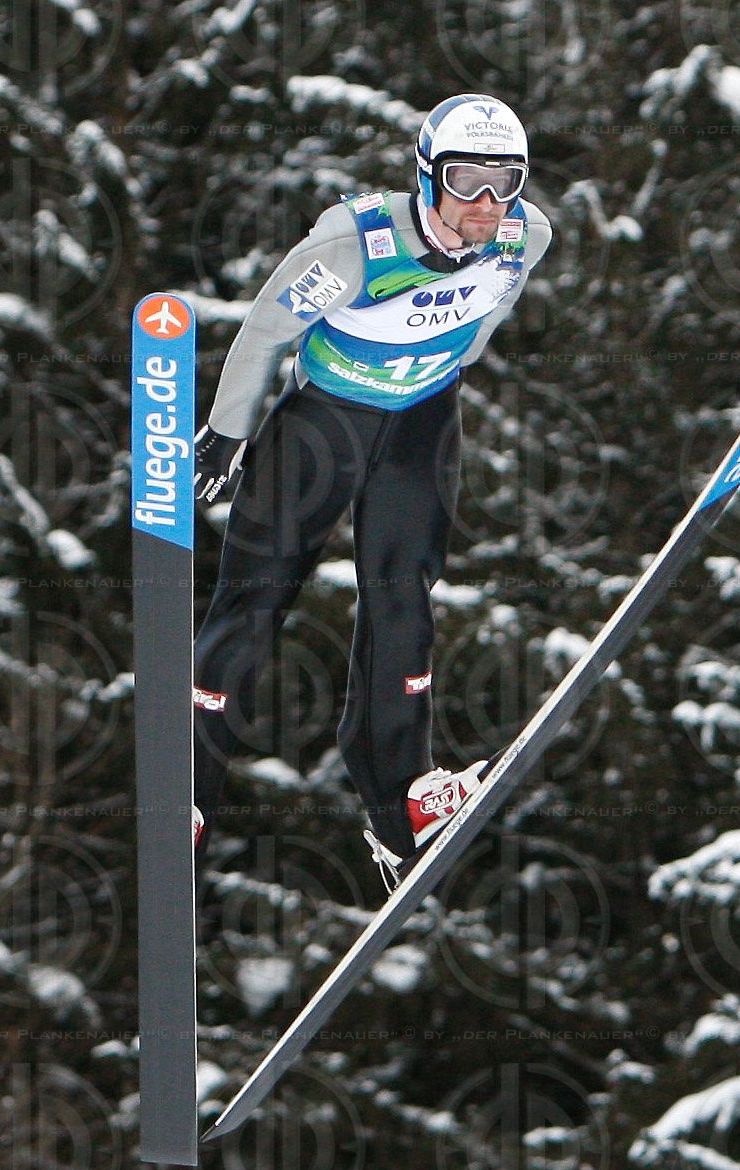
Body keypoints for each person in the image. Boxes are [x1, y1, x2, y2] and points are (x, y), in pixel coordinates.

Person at [189, 94, 552, 884]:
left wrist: (428, 374)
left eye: (505, 182)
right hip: (324, 424)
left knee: (403, 600)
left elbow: (485, 322)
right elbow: (267, 328)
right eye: (466, 180)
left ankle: (400, 804)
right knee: (255, 597)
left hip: (421, 422)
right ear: (427, 177)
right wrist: (230, 429)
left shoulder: (526, 236)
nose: (486, 204)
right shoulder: (358, 245)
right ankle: (186, 792)